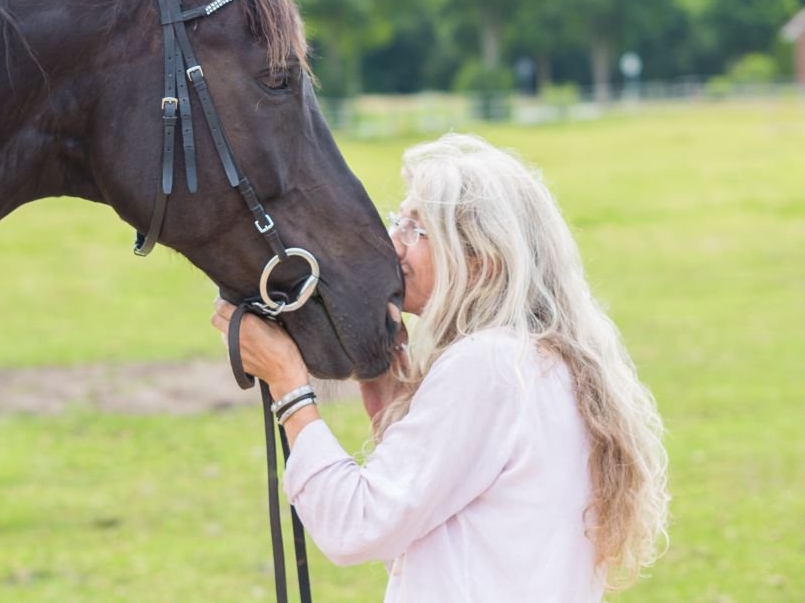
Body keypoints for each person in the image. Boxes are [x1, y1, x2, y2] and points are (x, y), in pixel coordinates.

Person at [211, 132, 668, 603]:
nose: (393, 244)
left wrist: (288, 385)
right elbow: (438, 543)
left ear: (482, 262)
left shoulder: (487, 366)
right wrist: (389, 406)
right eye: (398, 221)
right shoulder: (544, 364)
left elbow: (356, 525)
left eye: (416, 229)